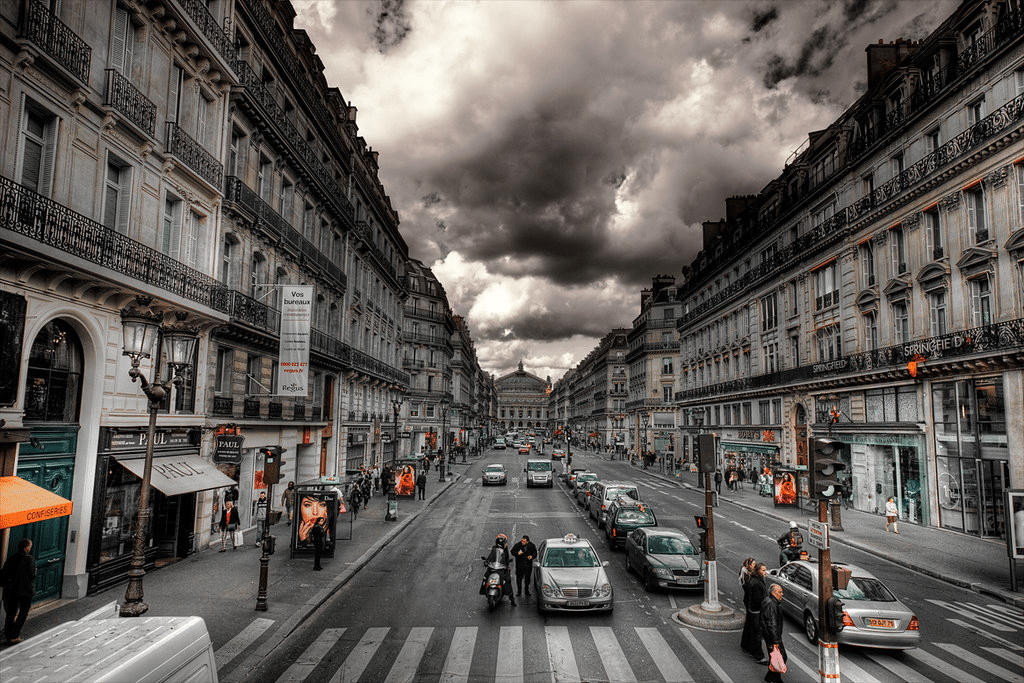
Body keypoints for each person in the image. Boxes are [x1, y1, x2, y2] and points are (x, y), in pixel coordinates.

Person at [1, 539, 36, 645]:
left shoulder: (11, 559)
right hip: (25, 590)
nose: (30, 548)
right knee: (23, 612)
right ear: (26, 548)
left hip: (11, 590)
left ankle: (8, 635)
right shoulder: (29, 559)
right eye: (30, 546)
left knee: (11, 613)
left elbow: (4, 573)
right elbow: (32, 575)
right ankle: (15, 635)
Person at [742, 562, 768, 664]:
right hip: (757, 611)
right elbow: (758, 599)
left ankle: (752, 650)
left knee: (755, 632)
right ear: (758, 571)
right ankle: (759, 656)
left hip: (753, 609)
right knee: (758, 634)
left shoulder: (754, 580)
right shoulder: (756, 583)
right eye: (763, 570)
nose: (765, 572)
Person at [761, 583, 787, 682]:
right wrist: (776, 640)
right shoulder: (771, 604)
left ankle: (774, 677)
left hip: (771, 636)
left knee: (777, 657)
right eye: (779, 592)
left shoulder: (771, 602)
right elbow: (772, 624)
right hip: (772, 637)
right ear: (773, 593)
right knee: (781, 657)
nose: (782, 594)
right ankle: (772, 677)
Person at [481, 534, 516, 606]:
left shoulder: (505, 549)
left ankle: (512, 599)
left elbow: (506, 559)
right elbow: (490, 556)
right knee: (485, 577)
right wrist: (487, 562)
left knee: (507, 582)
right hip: (493, 567)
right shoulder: (494, 548)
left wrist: (506, 565)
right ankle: (484, 590)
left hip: (501, 569)